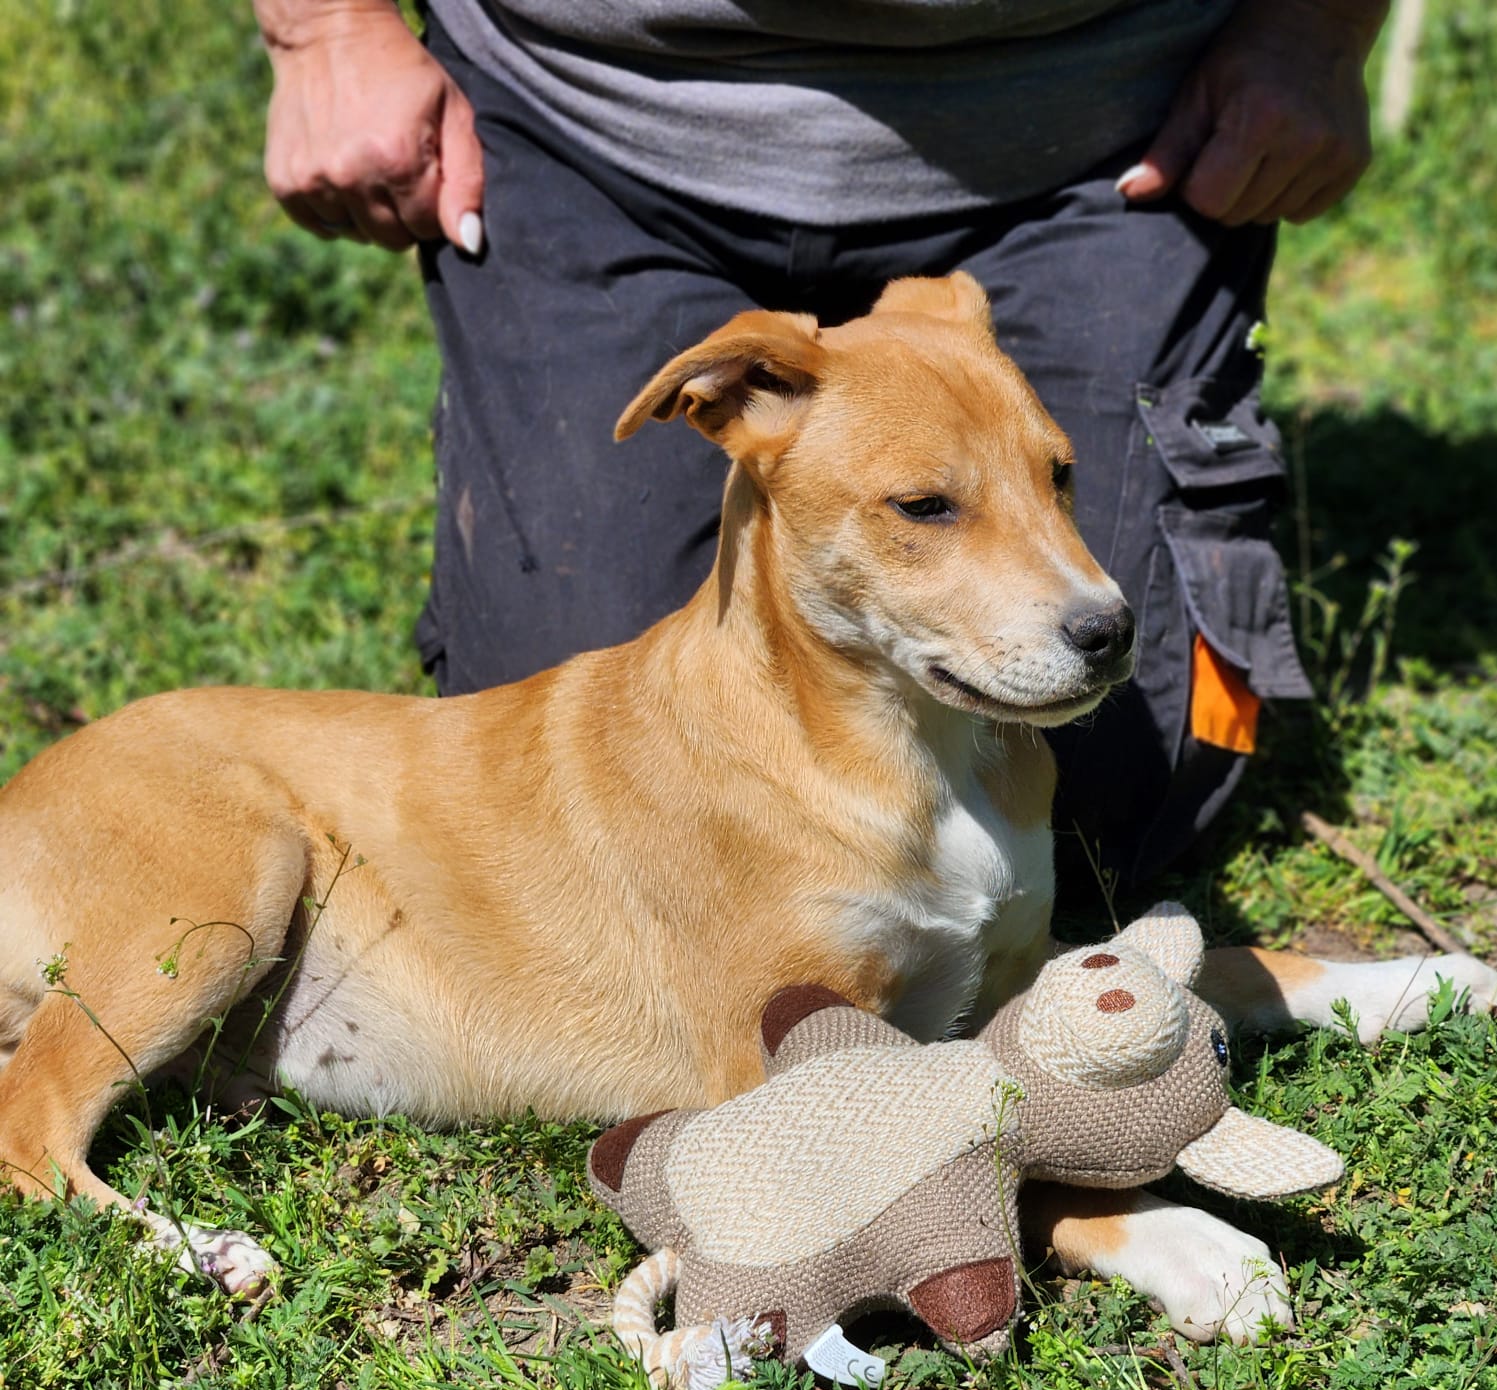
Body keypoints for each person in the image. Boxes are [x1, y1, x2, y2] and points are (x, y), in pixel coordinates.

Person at [253, 0, 1386, 884]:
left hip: (1098, 134)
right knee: (582, 796)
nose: (1093, 601)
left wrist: (1314, 27)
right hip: (591, 121)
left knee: (1115, 783)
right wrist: (324, 26)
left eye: (1058, 475)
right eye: (927, 504)